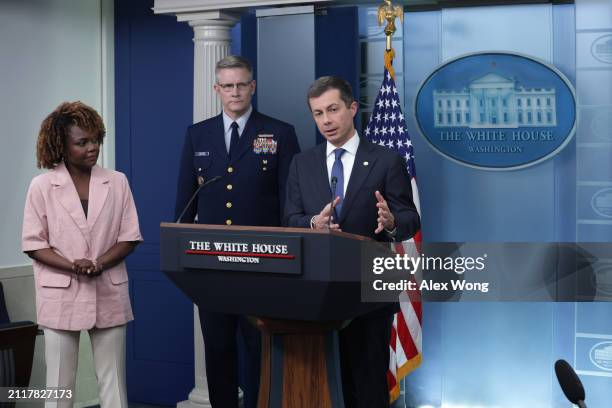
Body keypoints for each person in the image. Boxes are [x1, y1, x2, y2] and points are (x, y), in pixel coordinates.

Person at [284, 76, 420, 407]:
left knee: (367, 384)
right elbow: (290, 219)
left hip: (369, 293)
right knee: (326, 386)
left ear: (352, 108)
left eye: (333, 110)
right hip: (318, 295)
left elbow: (410, 219)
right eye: (318, 114)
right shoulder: (302, 163)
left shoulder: (386, 160)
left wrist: (390, 223)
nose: (326, 120)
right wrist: (316, 222)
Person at [174, 55, 300, 408]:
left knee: (261, 350)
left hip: (262, 266)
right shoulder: (197, 134)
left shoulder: (279, 133)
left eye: (241, 84)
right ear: (217, 89)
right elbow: (185, 205)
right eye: (227, 86)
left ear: (253, 86)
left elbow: (292, 205)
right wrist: (185, 260)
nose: (235, 92)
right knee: (218, 349)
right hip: (212, 269)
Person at [21, 101, 142, 408]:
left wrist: (100, 263)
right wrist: (73, 266)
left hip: (109, 289)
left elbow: (129, 237)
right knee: (59, 386)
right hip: (60, 292)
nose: (93, 147)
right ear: (62, 145)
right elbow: (34, 244)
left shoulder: (117, 181)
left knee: (114, 383)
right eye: (82, 142)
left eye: (96, 139)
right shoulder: (42, 186)